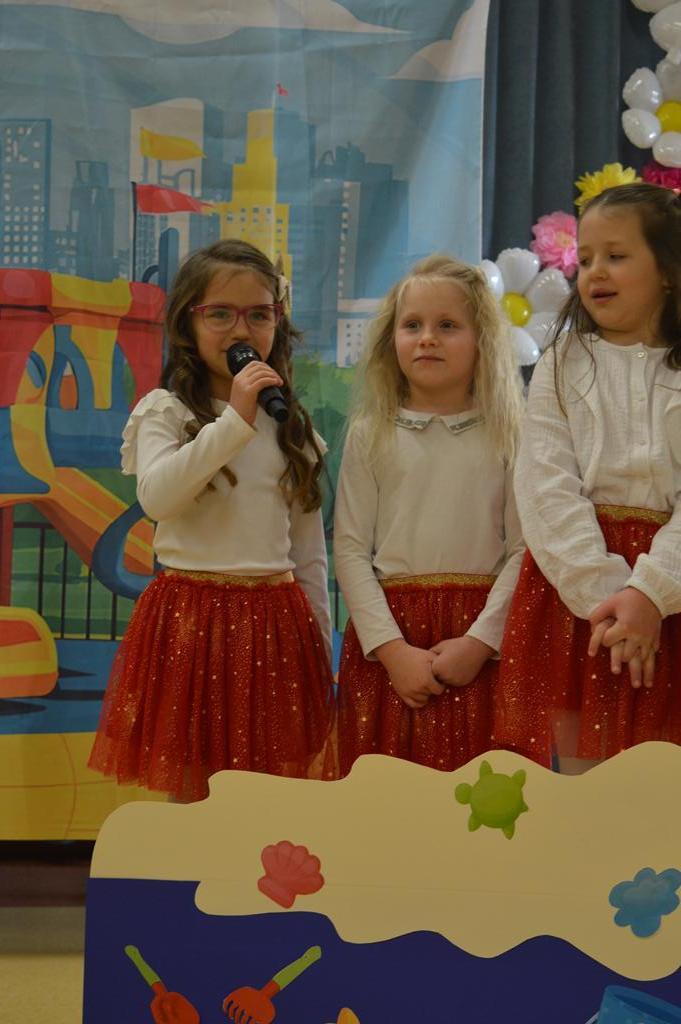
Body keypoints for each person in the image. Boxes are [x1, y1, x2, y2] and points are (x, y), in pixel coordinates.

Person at [89, 239, 336, 801]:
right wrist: (234, 421)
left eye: (259, 315)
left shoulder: (291, 428)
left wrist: (320, 651)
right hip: (191, 620)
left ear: (278, 323)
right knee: (192, 790)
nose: (240, 330)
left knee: (267, 792)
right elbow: (158, 498)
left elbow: (308, 555)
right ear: (188, 323)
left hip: (275, 625)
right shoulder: (165, 411)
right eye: (220, 314)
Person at [495, 183, 681, 771]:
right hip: (578, 598)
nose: (595, 271)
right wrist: (610, 603)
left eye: (617, 256)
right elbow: (545, 486)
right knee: (584, 788)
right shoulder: (562, 362)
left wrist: (651, 593)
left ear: (668, 270)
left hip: (672, 592)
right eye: (588, 257)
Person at [333, 255, 525, 774]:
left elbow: (525, 550)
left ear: (482, 340)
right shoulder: (370, 434)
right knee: (388, 795)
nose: (427, 339)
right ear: (390, 340)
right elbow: (350, 549)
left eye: (447, 326)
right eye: (412, 325)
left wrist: (480, 642)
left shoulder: (511, 433)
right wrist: (392, 651)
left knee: (487, 796)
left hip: (481, 643)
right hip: (392, 644)